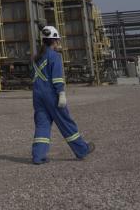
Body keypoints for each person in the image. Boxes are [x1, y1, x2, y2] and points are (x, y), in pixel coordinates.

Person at [31, 25, 96, 164]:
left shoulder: (37, 58)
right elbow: (57, 78)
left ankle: (38, 156)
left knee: (42, 125)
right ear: (55, 41)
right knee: (66, 123)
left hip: (37, 95)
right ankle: (82, 149)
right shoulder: (55, 56)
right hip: (51, 95)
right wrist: (61, 93)